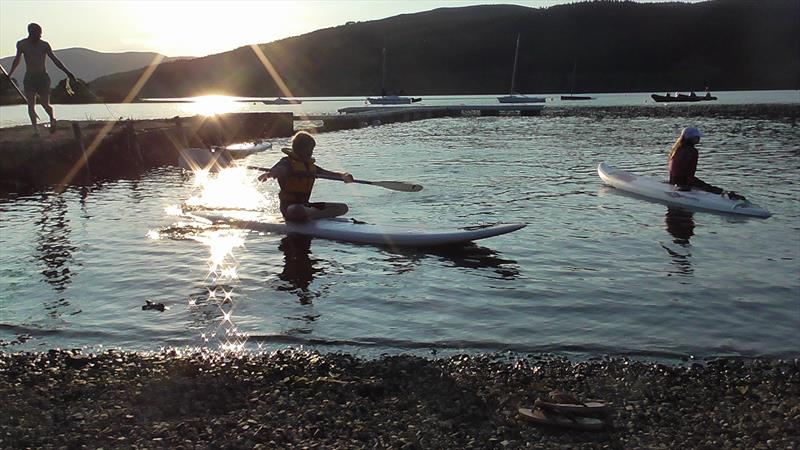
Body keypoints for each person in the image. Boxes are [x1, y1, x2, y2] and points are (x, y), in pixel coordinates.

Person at [258, 131, 354, 222]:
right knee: (297, 210)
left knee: (343, 208)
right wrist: (269, 174)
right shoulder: (286, 162)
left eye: (312, 150)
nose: (311, 153)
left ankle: (312, 214)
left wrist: (344, 175)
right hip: (290, 208)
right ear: (299, 150)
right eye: (308, 150)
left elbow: (329, 174)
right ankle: (311, 214)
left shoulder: (310, 166)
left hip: (306, 206)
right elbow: (279, 169)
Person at [7, 23, 76, 134]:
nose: (40, 35)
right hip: (29, 78)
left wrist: (67, 72)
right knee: (30, 104)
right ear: (31, 33)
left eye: (40, 33)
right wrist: (10, 73)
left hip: (43, 78)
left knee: (45, 104)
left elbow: (55, 60)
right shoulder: (22, 44)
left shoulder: (44, 45)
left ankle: (52, 119)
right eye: (38, 33)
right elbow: (17, 59)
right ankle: (36, 130)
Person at [668, 127, 745, 200]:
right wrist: (693, 186)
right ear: (690, 138)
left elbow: (676, 170)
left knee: (708, 187)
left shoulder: (677, 149)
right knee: (715, 189)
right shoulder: (692, 151)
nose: (699, 138)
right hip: (683, 182)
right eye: (697, 137)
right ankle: (727, 196)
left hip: (674, 180)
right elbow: (689, 171)